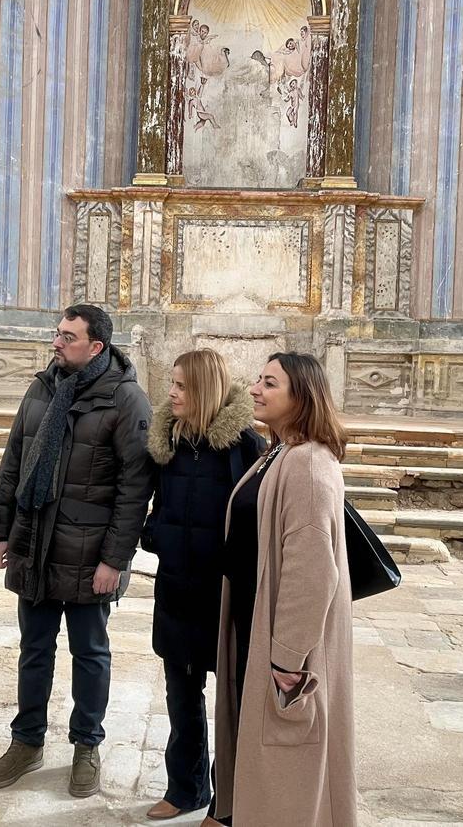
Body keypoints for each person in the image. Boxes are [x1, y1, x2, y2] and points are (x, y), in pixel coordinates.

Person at [0, 304, 153, 798]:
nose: (57, 343)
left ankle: (86, 745)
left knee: (90, 652)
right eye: (57, 334)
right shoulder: (43, 387)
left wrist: (115, 561)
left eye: (68, 337)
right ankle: (26, 741)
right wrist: (1, 532)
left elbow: (133, 489)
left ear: (96, 346)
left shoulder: (125, 399)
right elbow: (15, 459)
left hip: (89, 552)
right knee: (33, 650)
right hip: (35, 541)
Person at [209, 352, 356, 827]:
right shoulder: (278, 452)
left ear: (301, 397)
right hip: (254, 621)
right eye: (258, 379)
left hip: (282, 642)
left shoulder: (309, 465)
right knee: (260, 747)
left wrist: (287, 659)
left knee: (288, 760)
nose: (254, 389)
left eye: (269, 383)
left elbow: (313, 572)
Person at [142, 351, 264, 821]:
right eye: (171, 384)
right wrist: (157, 537)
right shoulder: (166, 442)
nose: (171, 393)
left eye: (180, 386)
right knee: (181, 694)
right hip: (176, 587)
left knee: (232, 700)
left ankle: (229, 800)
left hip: (226, 595)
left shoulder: (245, 446)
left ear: (204, 391)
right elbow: (152, 502)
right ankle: (185, 788)